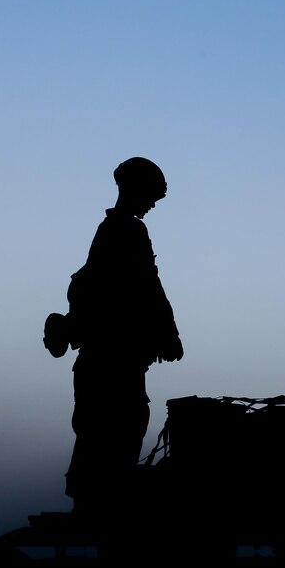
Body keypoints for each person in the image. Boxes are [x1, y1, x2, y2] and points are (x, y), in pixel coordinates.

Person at [46, 157, 183, 520]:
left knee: (107, 424)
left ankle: (95, 499)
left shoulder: (112, 231)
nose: (152, 205)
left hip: (107, 356)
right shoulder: (126, 232)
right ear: (136, 191)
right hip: (112, 357)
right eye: (152, 196)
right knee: (116, 424)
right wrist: (170, 334)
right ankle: (100, 501)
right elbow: (147, 286)